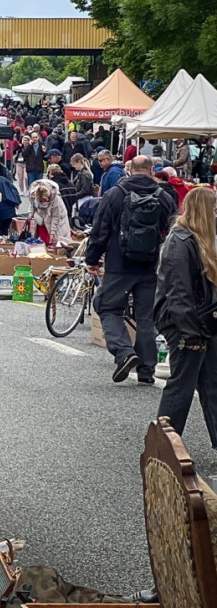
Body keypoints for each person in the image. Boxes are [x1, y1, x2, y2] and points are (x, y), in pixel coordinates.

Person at [85, 155, 177, 385]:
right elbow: (173, 231)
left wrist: (92, 259)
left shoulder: (114, 194)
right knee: (147, 317)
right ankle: (146, 371)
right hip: (151, 266)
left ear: (129, 170)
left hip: (119, 264)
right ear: (151, 171)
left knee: (107, 306)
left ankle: (124, 352)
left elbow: (100, 230)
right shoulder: (164, 196)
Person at [155, 187, 217, 447]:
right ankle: (164, 445)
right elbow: (179, 292)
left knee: (211, 382)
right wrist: (190, 333)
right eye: (214, 209)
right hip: (184, 322)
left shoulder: (196, 239)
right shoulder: (180, 242)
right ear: (204, 211)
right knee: (182, 384)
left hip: (201, 320)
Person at [29, 178, 74, 247]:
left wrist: (52, 233)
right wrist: (30, 215)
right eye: (41, 201)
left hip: (58, 221)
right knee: (44, 241)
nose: (43, 202)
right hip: (42, 220)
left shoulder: (56, 199)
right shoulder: (34, 195)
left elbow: (55, 217)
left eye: (45, 200)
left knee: (57, 241)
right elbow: (32, 206)